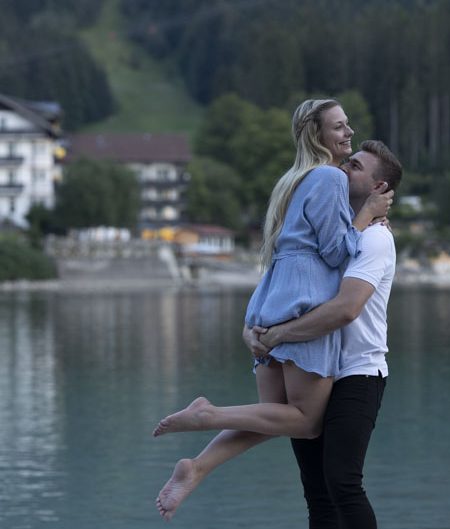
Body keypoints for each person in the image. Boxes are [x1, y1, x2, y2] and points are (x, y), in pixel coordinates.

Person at [152, 99, 393, 520]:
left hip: (274, 297)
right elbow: (334, 254)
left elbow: (293, 249)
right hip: (303, 301)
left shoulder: (293, 180)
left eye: (348, 127)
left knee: (274, 416)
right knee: (304, 421)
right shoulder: (328, 178)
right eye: (339, 127)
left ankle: (199, 466)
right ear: (317, 134)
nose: (348, 134)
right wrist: (365, 217)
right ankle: (207, 414)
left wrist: (255, 323)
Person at [254, 139, 402, 529]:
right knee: (317, 492)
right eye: (348, 160)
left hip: (357, 372)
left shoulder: (375, 238)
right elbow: (288, 286)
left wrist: (278, 336)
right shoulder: (332, 233)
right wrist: (254, 330)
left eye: (355, 166)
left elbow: (344, 309)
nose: (344, 166)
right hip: (316, 368)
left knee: (343, 484)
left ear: (378, 188)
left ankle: (204, 424)